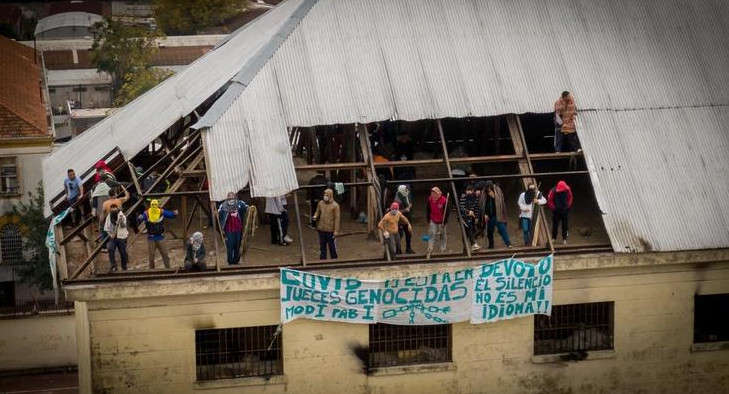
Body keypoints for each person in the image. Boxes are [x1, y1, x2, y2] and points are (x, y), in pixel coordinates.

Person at [138, 199, 178, 268]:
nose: (154, 207)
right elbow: (140, 219)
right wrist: (174, 214)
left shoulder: (159, 212)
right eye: (153, 205)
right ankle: (152, 271)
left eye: (155, 205)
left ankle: (168, 269)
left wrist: (174, 214)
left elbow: (171, 215)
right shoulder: (147, 213)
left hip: (159, 237)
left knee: (164, 254)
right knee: (152, 256)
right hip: (152, 238)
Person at [218, 192, 248, 265]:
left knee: (237, 244)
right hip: (229, 229)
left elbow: (246, 207)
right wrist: (217, 212)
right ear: (227, 197)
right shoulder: (224, 205)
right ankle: (230, 261)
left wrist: (250, 208)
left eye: (232, 196)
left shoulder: (239, 203)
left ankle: (236, 260)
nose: (231, 197)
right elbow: (219, 212)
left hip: (238, 229)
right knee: (230, 245)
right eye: (230, 196)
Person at [483, 180, 512, 249]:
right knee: (489, 232)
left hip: (498, 215)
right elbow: (484, 205)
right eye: (487, 188)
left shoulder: (497, 191)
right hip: (489, 216)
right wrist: (485, 214)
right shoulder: (484, 194)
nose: (488, 189)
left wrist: (493, 197)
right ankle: (491, 245)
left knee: (502, 229)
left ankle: (508, 243)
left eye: (490, 187)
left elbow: (500, 201)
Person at [313, 189, 340, 260]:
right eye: (324, 195)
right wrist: (315, 216)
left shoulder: (335, 205)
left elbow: (337, 218)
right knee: (322, 245)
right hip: (321, 228)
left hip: (330, 229)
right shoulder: (320, 203)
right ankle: (322, 259)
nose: (325, 196)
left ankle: (334, 258)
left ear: (330, 195)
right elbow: (317, 212)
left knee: (332, 245)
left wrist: (336, 230)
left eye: (327, 195)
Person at [104, 204, 129, 272]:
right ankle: (113, 265)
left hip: (122, 237)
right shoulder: (109, 216)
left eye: (115, 210)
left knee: (123, 252)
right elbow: (106, 228)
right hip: (113, 237)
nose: (113, 212)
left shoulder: (121, 216)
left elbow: (123, 226)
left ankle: (124, 266)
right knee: (110, 248)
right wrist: (110, 235)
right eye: (112, 211)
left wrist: (120, 221)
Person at [426, 186, 449, 258]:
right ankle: (430, 247)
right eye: (431, 193)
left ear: (438, 193)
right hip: (433, 220)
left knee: (443, 235)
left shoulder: (444, 200)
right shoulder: (430, 199)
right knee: (432, 234)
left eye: (434, 193)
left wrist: (445, 221)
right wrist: (428, 218)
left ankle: (443, 249)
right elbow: (428, 209)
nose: (432, 194)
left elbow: (447, 212)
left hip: (441, 221)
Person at [459, 185, 481, 251]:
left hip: (471, 218)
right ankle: (473, 244)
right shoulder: (463, 198)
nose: (469, 193)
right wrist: (468, 211)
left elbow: (476, 208)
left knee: (466, 232)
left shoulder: (475, 199)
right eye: (467, 191)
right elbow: (461, 208)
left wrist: (476, 217)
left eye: (470, 191)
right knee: (469, 228)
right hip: (463, 218)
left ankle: (465, 248)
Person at [393, 185, 415, 254]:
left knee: (408, 233)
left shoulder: (405, 195)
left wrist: (409, 205)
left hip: (407, 218)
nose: (407, 191)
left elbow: (408, 201)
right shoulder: (397, 201)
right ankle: (398, 249)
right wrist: (405, 210)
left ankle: (408, 248)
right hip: (400, 220)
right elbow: (395, 212)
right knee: (400, 235)